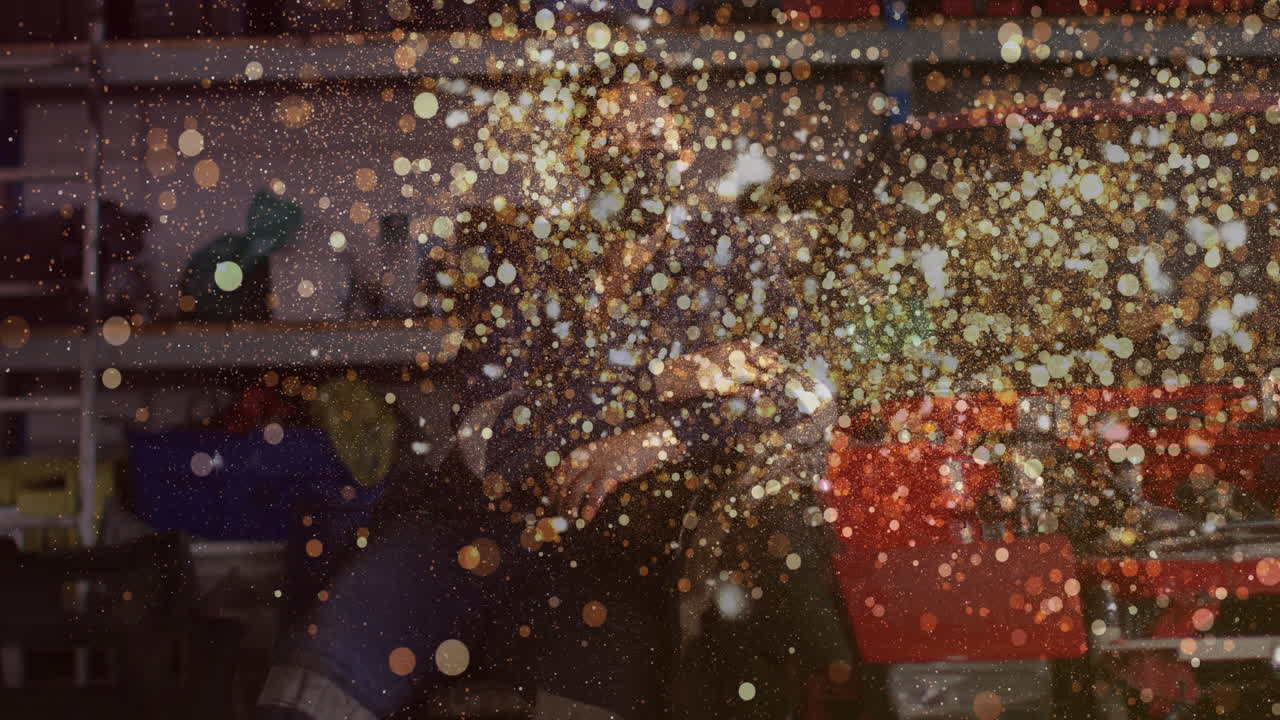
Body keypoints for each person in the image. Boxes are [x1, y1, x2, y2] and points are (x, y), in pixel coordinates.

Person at [257, 57, 845, 720]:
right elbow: (492, 438)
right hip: (464, 531)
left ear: (681, 153)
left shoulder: (733, 259)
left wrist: (656, 440)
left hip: (610, 556)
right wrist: (658, 381)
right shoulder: (523, 259)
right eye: (611, 146)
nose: (634, 162)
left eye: (651, 144)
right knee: (314, 687)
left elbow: (808, 395)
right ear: (575, 161)